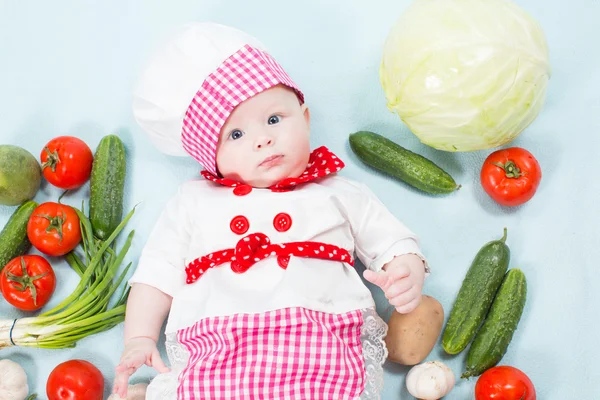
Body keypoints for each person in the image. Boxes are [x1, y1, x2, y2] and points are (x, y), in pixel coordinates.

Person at [112, 22, 430, 400]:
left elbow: (390, 239)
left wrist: (404, 270)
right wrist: (139, 337)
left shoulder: (337, 191)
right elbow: (157, 276)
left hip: (322, 341)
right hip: (221, 349)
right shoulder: (194, 201)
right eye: (235, 135)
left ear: (305, 119)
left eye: (274, 120)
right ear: (210, 159)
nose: (263, 139)